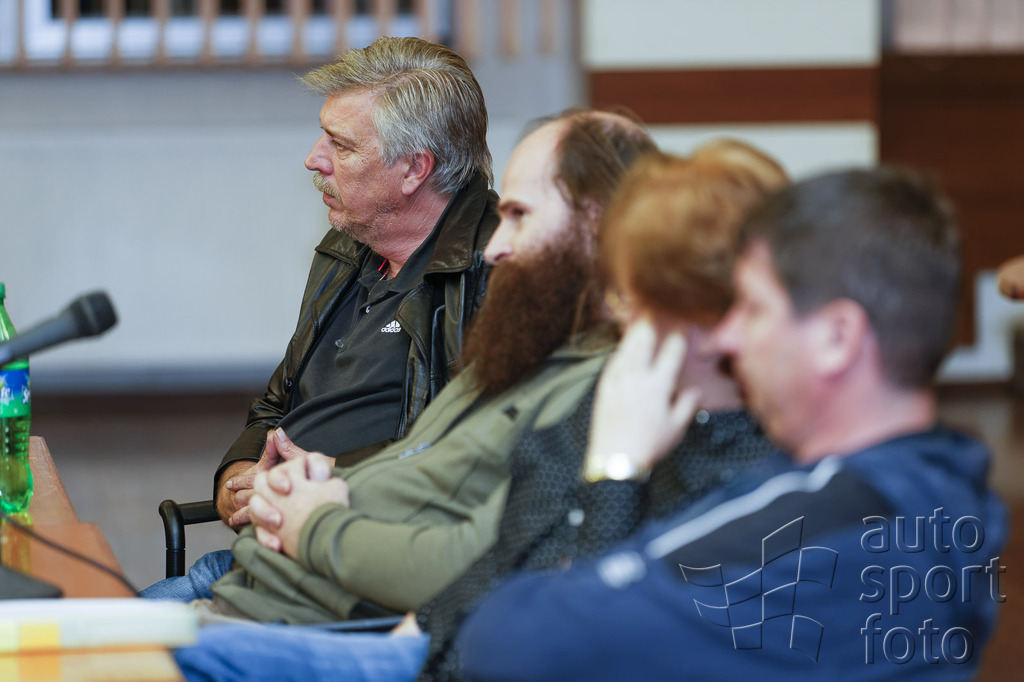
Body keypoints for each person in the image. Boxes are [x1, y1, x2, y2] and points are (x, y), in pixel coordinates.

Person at [173, 142, 788, 681]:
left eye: (640, 295)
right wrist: (333, 493)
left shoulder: (731, 456)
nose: (624, 321)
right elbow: (502, 565)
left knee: (161, 656)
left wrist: (617, 468)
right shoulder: (586, 383)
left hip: (390, 635)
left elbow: (584, 625)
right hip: (394, 629)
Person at [457, 167, 1008, 680]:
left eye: (753, 308)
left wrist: (615, 471)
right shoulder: (946, 475)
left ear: (837, 338)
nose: (728, 337)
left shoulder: (819, 528)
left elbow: (507, 642)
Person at [159, 110, 657, 624]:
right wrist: (312, 481)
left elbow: (475, 561)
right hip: (270, 573)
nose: (496, 247)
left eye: (520, 216)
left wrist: (313, 519)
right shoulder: (521, 343)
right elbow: (416, 467)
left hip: (314, 609)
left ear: (596, 225)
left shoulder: (603, 387)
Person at [143, 36, 497, 598]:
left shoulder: (494, 276)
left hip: (355, 581)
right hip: (265, 558)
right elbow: (276, 405)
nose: (314, 158)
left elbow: (472, 460)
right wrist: (239, 478)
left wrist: (329, 480)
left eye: (342, 145)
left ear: (414, 168)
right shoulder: (349, 247)